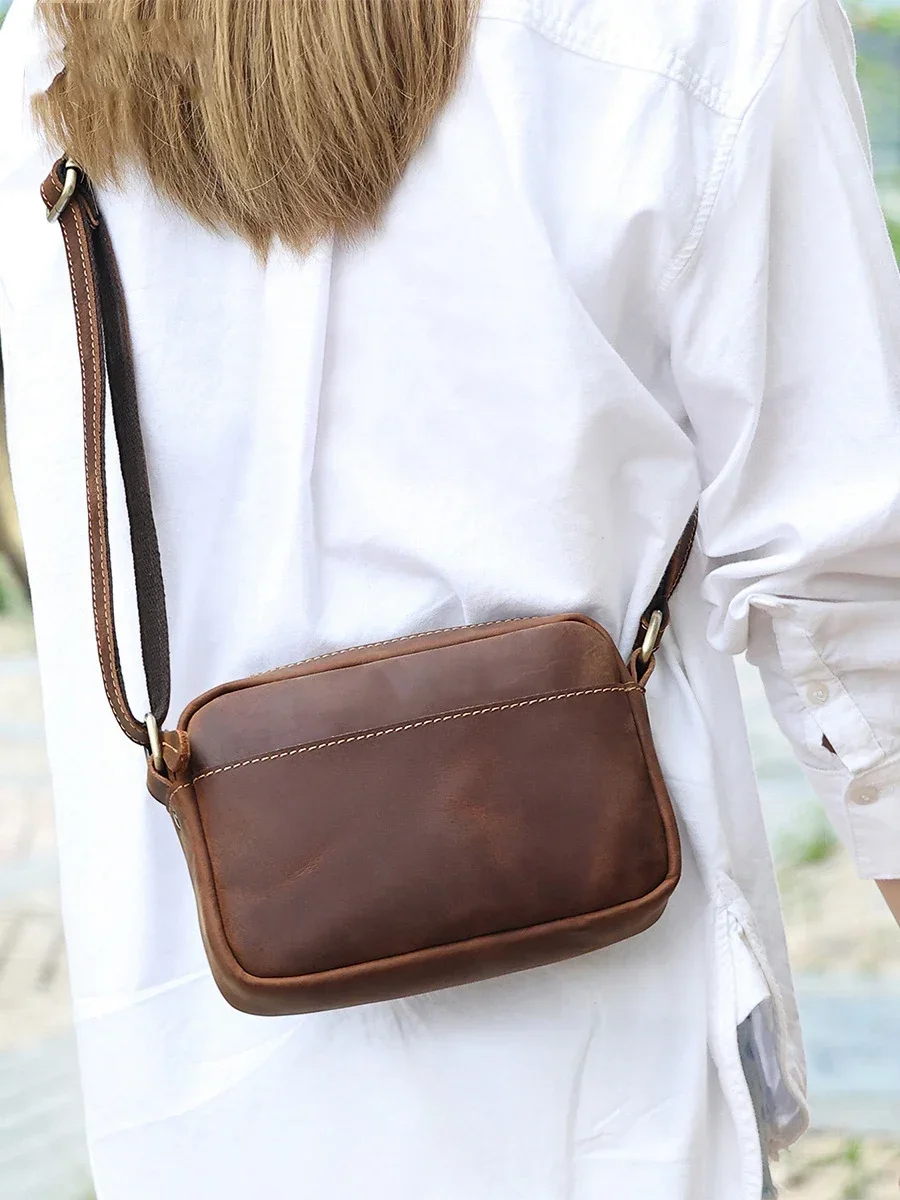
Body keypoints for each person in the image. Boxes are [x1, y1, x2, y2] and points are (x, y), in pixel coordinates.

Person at [0, 0, 898, 1196]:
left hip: (195, 1091)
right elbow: (849, 593)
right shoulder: (691, 24)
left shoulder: (42, 51)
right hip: (606, 1089)